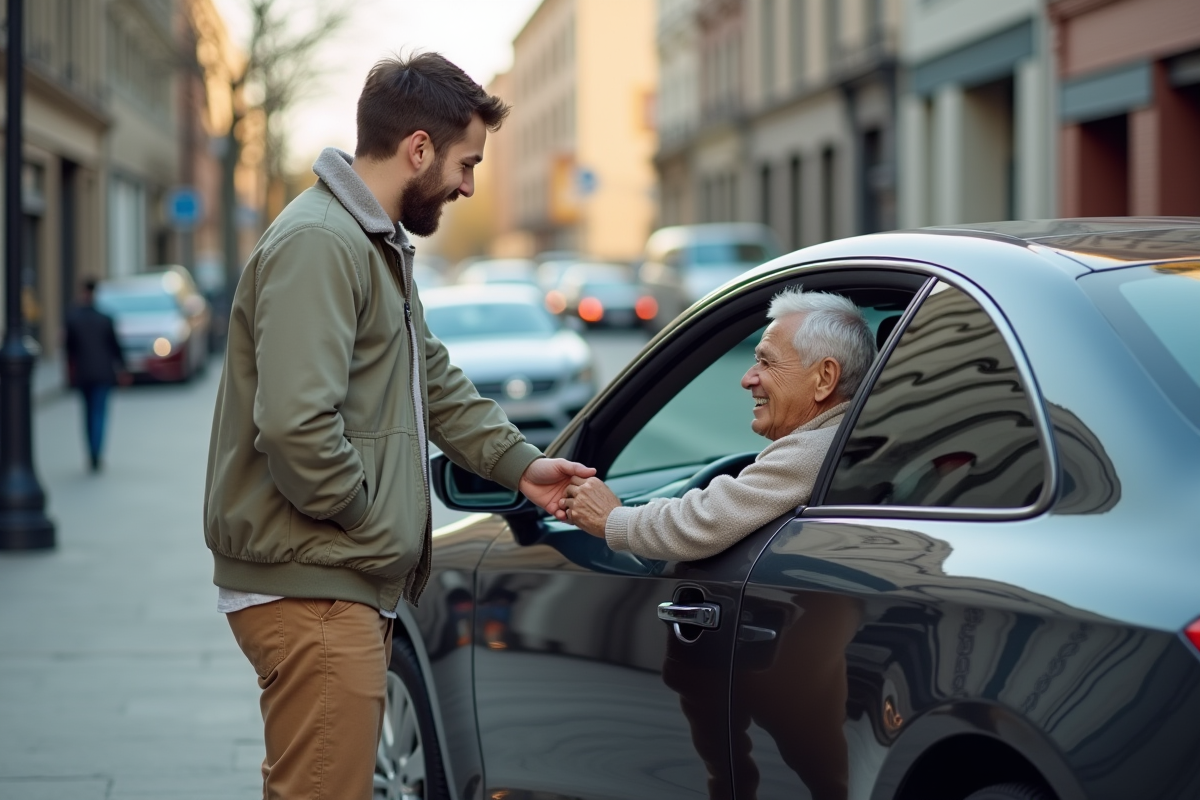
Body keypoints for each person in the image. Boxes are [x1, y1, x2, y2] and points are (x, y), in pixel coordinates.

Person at [203, 53, 593, 800]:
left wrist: (520, 465)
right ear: (418, 147)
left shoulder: (368, 241)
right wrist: (366, 516)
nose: (469, 185)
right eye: (466, 162)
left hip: (330, 578)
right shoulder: (323, 242)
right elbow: (294, 428)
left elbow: (433, 381)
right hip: (316, 582)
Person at [561, 287, 876, 558]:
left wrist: (613, 519)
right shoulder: (849, 437)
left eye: (767, 362)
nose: (747, 378)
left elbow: (707, 520)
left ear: (824, 378)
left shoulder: (818, 449)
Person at [64, 277, 129, 472]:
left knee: (88, 414)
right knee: (99, 413)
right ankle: (96, 453)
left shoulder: (73, 319)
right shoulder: (105, 318)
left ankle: (91, 452)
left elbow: (69, 350)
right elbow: (116, 347)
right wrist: (123, 368)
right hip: (103, 373)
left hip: (84, 374)